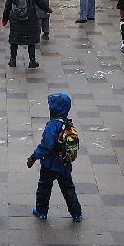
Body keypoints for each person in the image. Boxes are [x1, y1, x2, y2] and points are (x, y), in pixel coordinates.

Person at [27, 92, 82, 222]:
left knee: (44, 189)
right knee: (68, 189)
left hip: (49, 166)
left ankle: (41, 211)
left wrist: (34, 157)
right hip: (65, 165)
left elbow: (46, 146)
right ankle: (76, 213)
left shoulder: (52, 126)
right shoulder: (68, 124)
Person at [3, 0, 48, 69]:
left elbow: (8, 5)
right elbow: (41, 3)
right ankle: (32, 61)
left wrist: (5, 18)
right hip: (30, 20)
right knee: (30, 41)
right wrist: (48, 10)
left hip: (15, 20)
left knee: (14, 40)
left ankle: (12, 60)